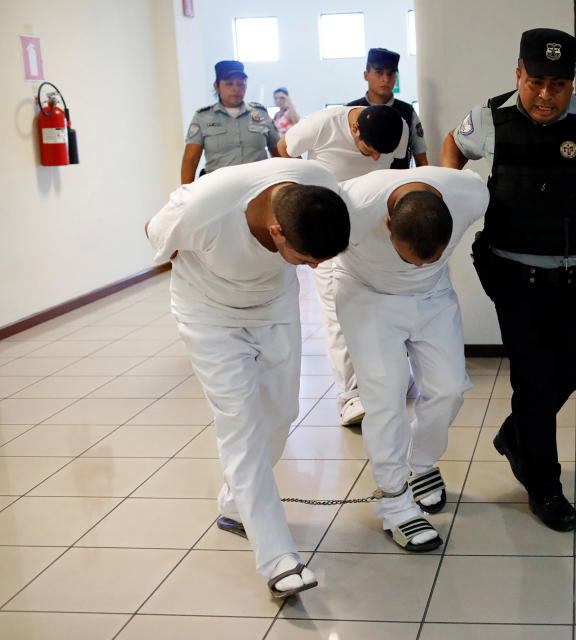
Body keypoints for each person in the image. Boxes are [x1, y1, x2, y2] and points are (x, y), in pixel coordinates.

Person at [440, 28, 576, 532]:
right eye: (535, 82)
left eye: (558, 83)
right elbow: (452, 145)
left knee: (571, 371)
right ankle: (544, 485)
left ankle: (516, 435)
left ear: (571, 81)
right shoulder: (490, 116)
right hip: (511, 273)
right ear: (518, 75)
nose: (546, 95)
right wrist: (455, 193)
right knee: (534, 380)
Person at [145, 158, 350, 598]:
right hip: (210, 316)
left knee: (281, 413)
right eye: (305, 260)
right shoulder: (203, 208)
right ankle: (278, 560)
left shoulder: (319, 185)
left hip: (273, 307)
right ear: (277, 230)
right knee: (241, 427)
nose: (313, 269)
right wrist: (200, 257)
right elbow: (155, 232)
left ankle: (235, 505)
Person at [335, 166, 489, 550]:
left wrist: (430, 272)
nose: (419, 263)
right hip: (367, 296)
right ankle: (395, 503)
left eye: (430, 256)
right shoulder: (350, 206)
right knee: (385, 399)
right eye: (411, 257)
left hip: (433, 296)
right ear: (386, 223)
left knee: (450, 388)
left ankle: (421, 464)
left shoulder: (470, 195)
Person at [279, 104, 407, 426]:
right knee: (337, 312)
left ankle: (389, 377)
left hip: (373, 227)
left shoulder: (397, 127)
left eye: (383, 152)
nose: (377, 158)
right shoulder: (320, 125)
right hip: (327, 229)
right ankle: (350, 396)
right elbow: (284, 151)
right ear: (354, 131)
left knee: (383, 304)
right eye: (370, 151)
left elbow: (395, 172)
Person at [181, 60, 279, 184]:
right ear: (216, 86)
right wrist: (185, 195)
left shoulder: (261, 114)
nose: (235, 89)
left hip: (258, 187)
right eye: (229, 84)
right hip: (218, 188)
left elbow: (279, 153)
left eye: (240, 84)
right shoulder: (203, 117)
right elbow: (191, 160)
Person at [347, 48, 428, 168]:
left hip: (399, 184)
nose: (385, 79)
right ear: (366, 75)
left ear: (396, 77)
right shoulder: (350, 111)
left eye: (390, 73)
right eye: (379, 72)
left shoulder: (407, 112)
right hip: (359, 183)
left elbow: (422, 162)